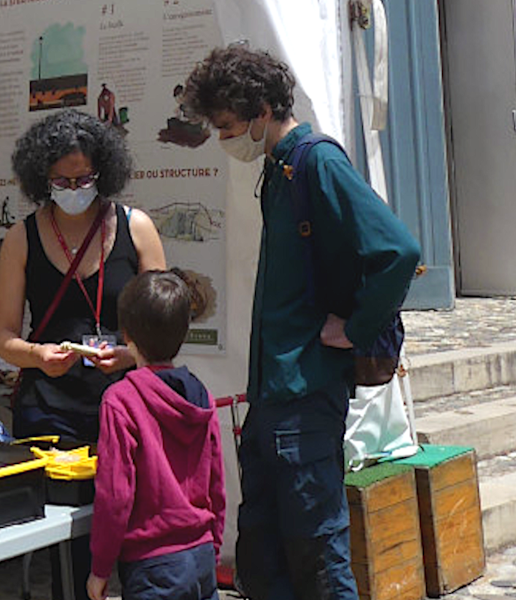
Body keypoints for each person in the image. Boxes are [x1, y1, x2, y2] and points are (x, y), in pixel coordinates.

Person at [182, 46, 421, 600]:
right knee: (263, 555)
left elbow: (399, 251)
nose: (224, 139)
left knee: (318, 553)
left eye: (227, 126)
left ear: (261, 111)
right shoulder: (281, 167)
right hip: (272, 396)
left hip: (306, 395)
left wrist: (358, 326)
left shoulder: (318, 162)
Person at [0, 108, 165, 600]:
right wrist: (37, 355)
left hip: (128, 410)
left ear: (104, 172)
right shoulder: (21, 237)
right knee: (67, 549)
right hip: (50, 412)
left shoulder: (137, 228)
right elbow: (3, 337)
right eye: (61, 180)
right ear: (40, 178)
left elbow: (166, 326)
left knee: (135, 535)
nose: (73, 187)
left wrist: (132, 353)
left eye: (84, 178)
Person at [87, 270, 225, 600]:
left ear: (126, 336)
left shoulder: (121, 399)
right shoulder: (201, 394)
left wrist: (100, 568)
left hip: (153, 566)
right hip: (201, 553)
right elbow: (217, 483)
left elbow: (115, 495)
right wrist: (213, 546)